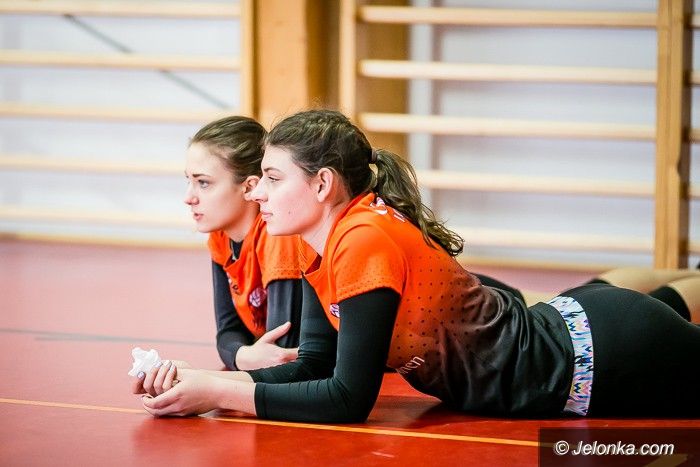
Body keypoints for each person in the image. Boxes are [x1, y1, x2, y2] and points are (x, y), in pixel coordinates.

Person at [135, 109, 700, 422]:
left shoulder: (362, 238)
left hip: (601, 355)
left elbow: (347, 399)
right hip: (579, 334)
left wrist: (218, 391)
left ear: (323, 184)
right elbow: (314, 367)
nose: (258, 193)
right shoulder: (317, 242)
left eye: (273, 178)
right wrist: (201, 380)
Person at [180, 115, 311, 373]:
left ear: (250, 187)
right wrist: (241, 356)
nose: (189, 197)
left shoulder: (278, 235)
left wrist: (201, 380)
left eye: (203, 183)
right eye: (188, 180)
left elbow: (281, 354)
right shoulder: (220, 237)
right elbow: (228, 332)